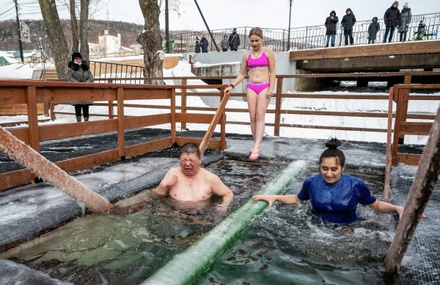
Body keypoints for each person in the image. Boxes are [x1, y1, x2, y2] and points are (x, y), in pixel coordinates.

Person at [253, 138, 409, 225]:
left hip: (349, 228)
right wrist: (274, 197)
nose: (328, 173)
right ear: (319, 167)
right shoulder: (311, 182)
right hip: (316, 228)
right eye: (324, 168)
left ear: (343, 168)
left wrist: (398, 209)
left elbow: (375, 205)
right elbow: (297, 199)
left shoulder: (355, 184)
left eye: (334, 169)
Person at [224, 27, 276, 162]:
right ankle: (256, 143)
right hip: (251, 86)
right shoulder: (247, 55)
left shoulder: (268, 53)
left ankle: (257, 146)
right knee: (252, 116)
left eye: (257, 40)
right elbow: (242, 73)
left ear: (262, 39)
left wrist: (271, 88)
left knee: (260, 115)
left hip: (264, 85)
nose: (254, 43)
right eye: (252, 41)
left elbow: (273, 72)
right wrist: (232, 85)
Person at [154, 143, 234, 212]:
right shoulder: (172, 174)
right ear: (179, 159)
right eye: (184, 160)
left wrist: (224, 205)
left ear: (200, 159)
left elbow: (228, 193)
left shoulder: (210, 178)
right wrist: (163, 184)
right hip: (175, 215)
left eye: (191, 160)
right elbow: (157, 196)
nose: (187, 164)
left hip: (202, 217)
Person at [67, 52, 94, 122]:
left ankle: (86, 122)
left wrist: (86, 83)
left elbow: (91, 78)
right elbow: (69, 78)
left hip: (85, 89)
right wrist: (78, 84)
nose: (78, 60)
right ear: (73, 60)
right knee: (77, 106)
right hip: (76, 89)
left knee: (86, 106)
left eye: (79, 58)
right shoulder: (70, 68)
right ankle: (78, 123)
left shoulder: (85, 67)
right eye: (76, 58)